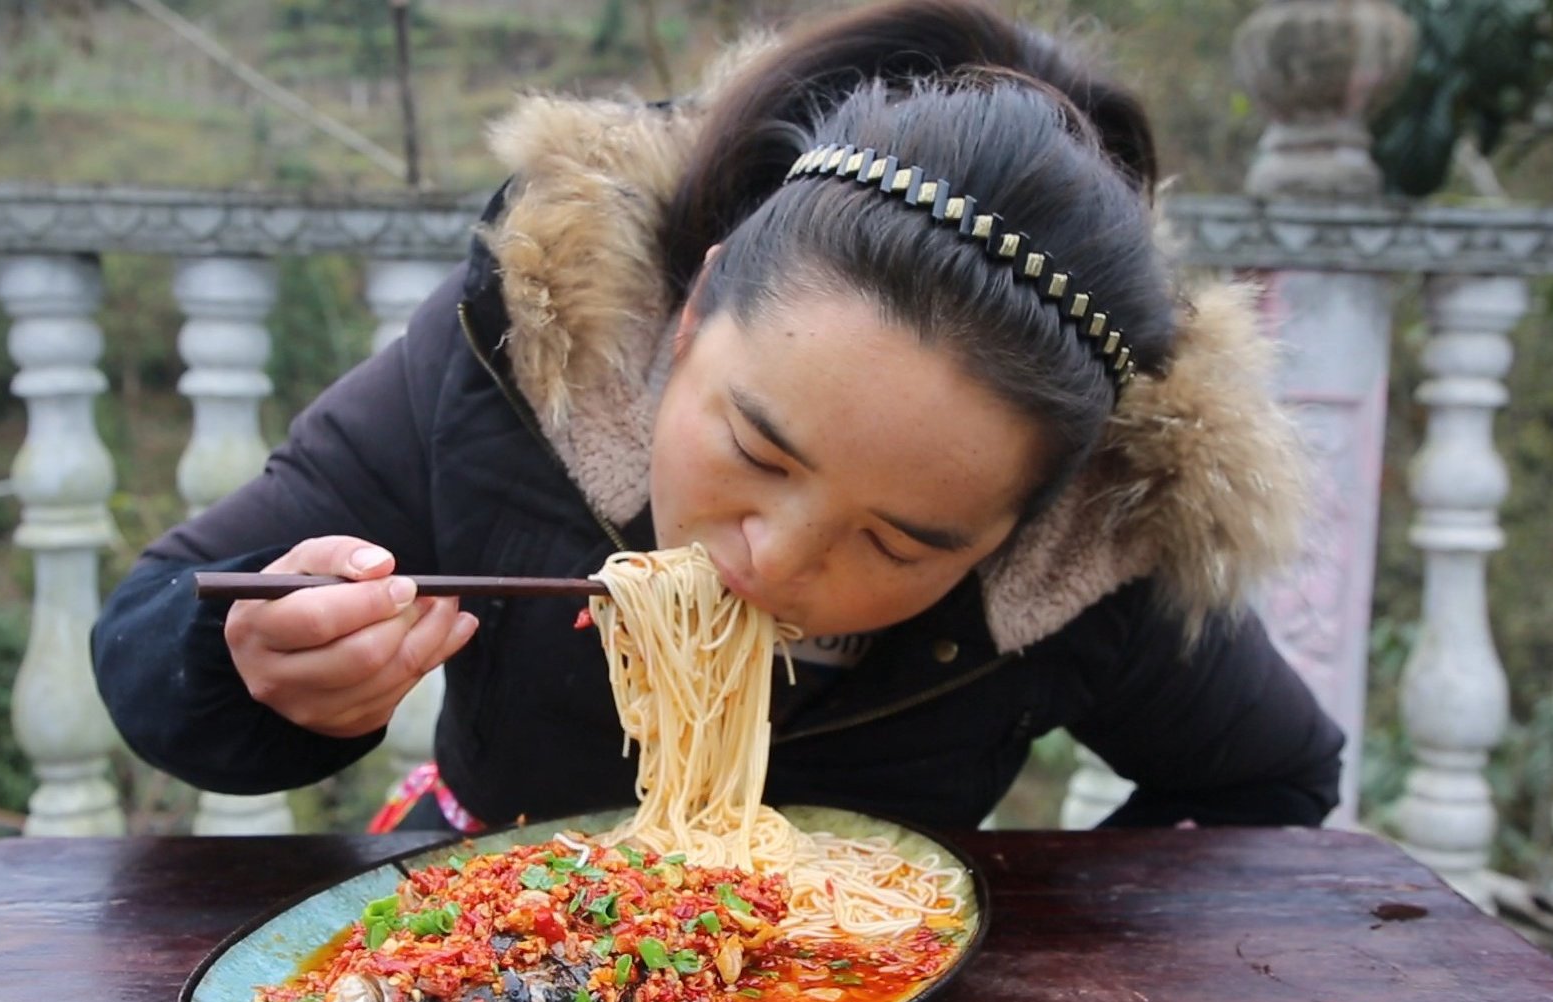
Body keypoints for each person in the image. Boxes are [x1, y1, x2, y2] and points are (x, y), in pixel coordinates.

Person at [91, 0, 1344, 836]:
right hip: (487, 956)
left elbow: (1272, 780)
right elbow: (159, 623)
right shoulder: (535, 355)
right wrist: (261, 664)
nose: (774, 563)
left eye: (900, 544)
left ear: (1023, 519)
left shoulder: (1092, 549)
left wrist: (1054, 960)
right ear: (686, 317)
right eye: (754, 450)